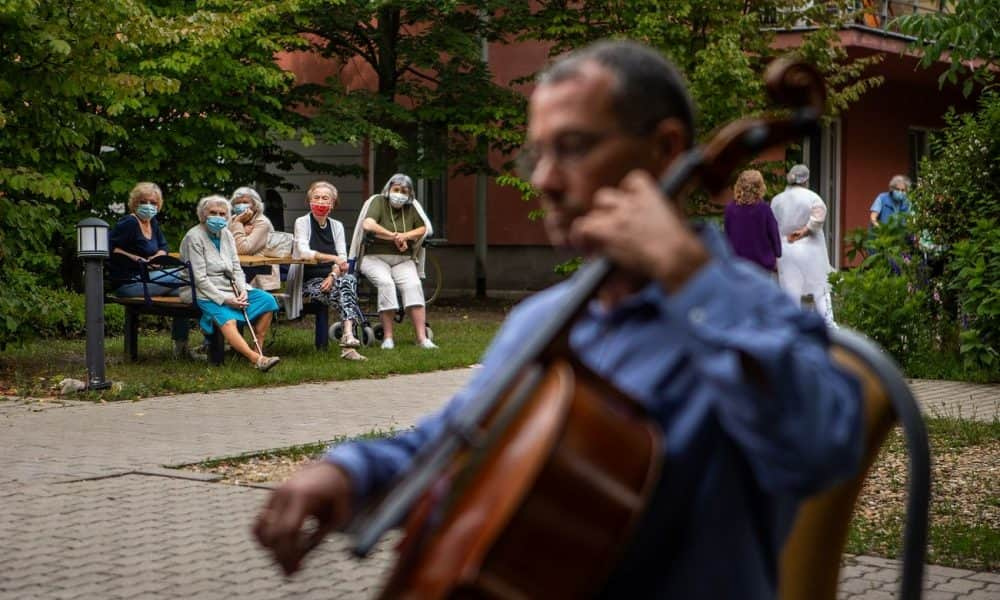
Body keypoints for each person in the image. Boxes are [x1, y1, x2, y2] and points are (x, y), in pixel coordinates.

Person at [254, 40, 863, 598]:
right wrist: (345, 472)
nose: (543, 178)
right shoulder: (542, 318)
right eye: (537, 153)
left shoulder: (751, 311)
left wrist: (688, 275)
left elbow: (821, 447)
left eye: (570, 147)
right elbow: (456, 442)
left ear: (666, 150)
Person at [179, 195, 281, 372]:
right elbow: (199, 279)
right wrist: (226, 300)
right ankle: (256, 359)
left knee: (268, 300)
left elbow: (236, 267)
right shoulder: (193, 237)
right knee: (228, 319)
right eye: (213, 213)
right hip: (204, 292)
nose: (218, 217)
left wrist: (241, 290)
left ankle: (259, 349)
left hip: (232, 288)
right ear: (203, 215)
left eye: (222, 213)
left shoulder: (226, 234)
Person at [349, 173, 436, 350]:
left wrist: (405, 235)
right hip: (374, 258)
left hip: (403, 260)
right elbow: (368, 224)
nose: (399, 194)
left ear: (410, 194)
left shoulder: (412, 207)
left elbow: (423, 228)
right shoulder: (378, 201)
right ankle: (388, 338)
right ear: (389, 189)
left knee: (413, 285)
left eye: (404, 191)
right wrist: (393, 237)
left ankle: (422, 338)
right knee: (386, 283)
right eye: (396, 190)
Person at [107, 182, 191, 358]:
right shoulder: (129, 222)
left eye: (153, 203)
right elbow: (109, 247)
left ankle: (181, 348)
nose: (149, 206)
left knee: (188, 290)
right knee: (185, 275)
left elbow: (164, 246)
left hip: (149, 278)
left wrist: (157, 257)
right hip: (129, 282)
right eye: (144, 202)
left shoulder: (152, 222)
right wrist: (135, 258)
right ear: (135, 203)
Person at [286, 181, 368, 361]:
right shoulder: (302, 222)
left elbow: (343, 260)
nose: (321, 202)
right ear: (309, 201)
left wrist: (332, 275)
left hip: (331, 281)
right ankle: (348, 345)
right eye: (316, 198)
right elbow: (305, 253)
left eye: (325, 198)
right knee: (348, 288)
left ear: (333, 203)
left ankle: (347, 335)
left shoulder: (336, 226)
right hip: (306, 282)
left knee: (347, 283)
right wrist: (333, 260)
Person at [771, 164, 838, 328]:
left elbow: (771, 224)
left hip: (786, 249)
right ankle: (829, 326)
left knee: (790, 291)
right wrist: (805, 231)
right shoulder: (813, 197)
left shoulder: (777, 200)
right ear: (806, 179)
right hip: (812, 250)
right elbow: (819, 217)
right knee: (820, 289)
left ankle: (793, 327)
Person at [723, 169, 782, 277]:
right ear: (760, 187)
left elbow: (726, 235)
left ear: (739, 186)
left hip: (737, 264)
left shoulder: (730, 209)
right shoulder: (764, 209)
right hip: (761, 264)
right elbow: (773, 233)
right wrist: (777, 253)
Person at [228, 186, 280, 291]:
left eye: (245, 202)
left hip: (260, 277)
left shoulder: (262, 222)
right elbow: (222, 243)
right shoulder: (233, 219)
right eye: (238, 203)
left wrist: (238, 225)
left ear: (255, 205)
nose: (241, 205)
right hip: (240, 270)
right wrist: (242, 230)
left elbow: (243, 249)